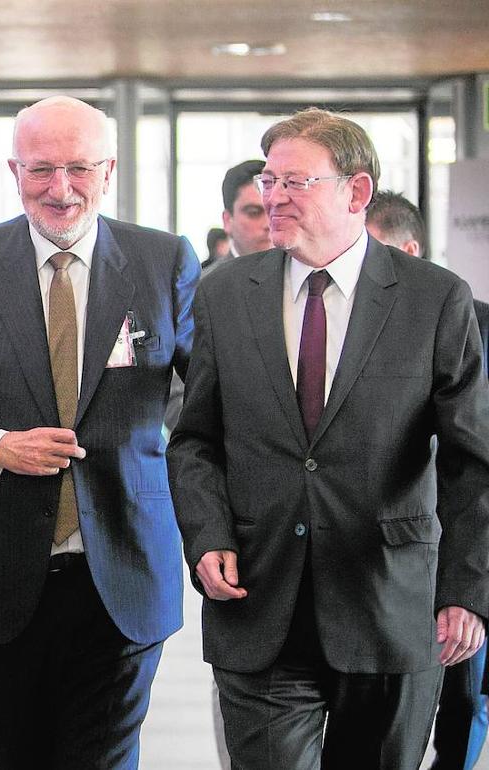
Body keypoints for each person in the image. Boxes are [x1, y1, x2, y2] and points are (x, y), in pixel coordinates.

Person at [168, 108, 489, 768]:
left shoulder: (434, 299)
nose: (274, 197)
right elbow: (194, 438)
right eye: (268, 180)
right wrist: (207, 536)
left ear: (357, 191)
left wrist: (466, 591)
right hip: (259, 605)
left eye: (296, 181)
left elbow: (472, 462)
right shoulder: (224, 296)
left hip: (391, 607)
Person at [0, 95, 199, 768]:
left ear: (109, 171)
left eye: (79, 168)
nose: (61, 190)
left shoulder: (163, 260)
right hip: (1, 578)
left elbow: (207, 407)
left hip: (124, 570)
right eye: (42, 170)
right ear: (14, 170)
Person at [367, 189, 489, 770]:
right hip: (395, 556)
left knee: (466, 696)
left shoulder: (471, 321)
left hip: (467, 539)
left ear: (409, 250)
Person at [203, 159, 271, 273]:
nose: (268, 224)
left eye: (274, 211)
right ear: (227, 221)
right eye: (254, 213)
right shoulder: (205, 287)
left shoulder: (300, 281)